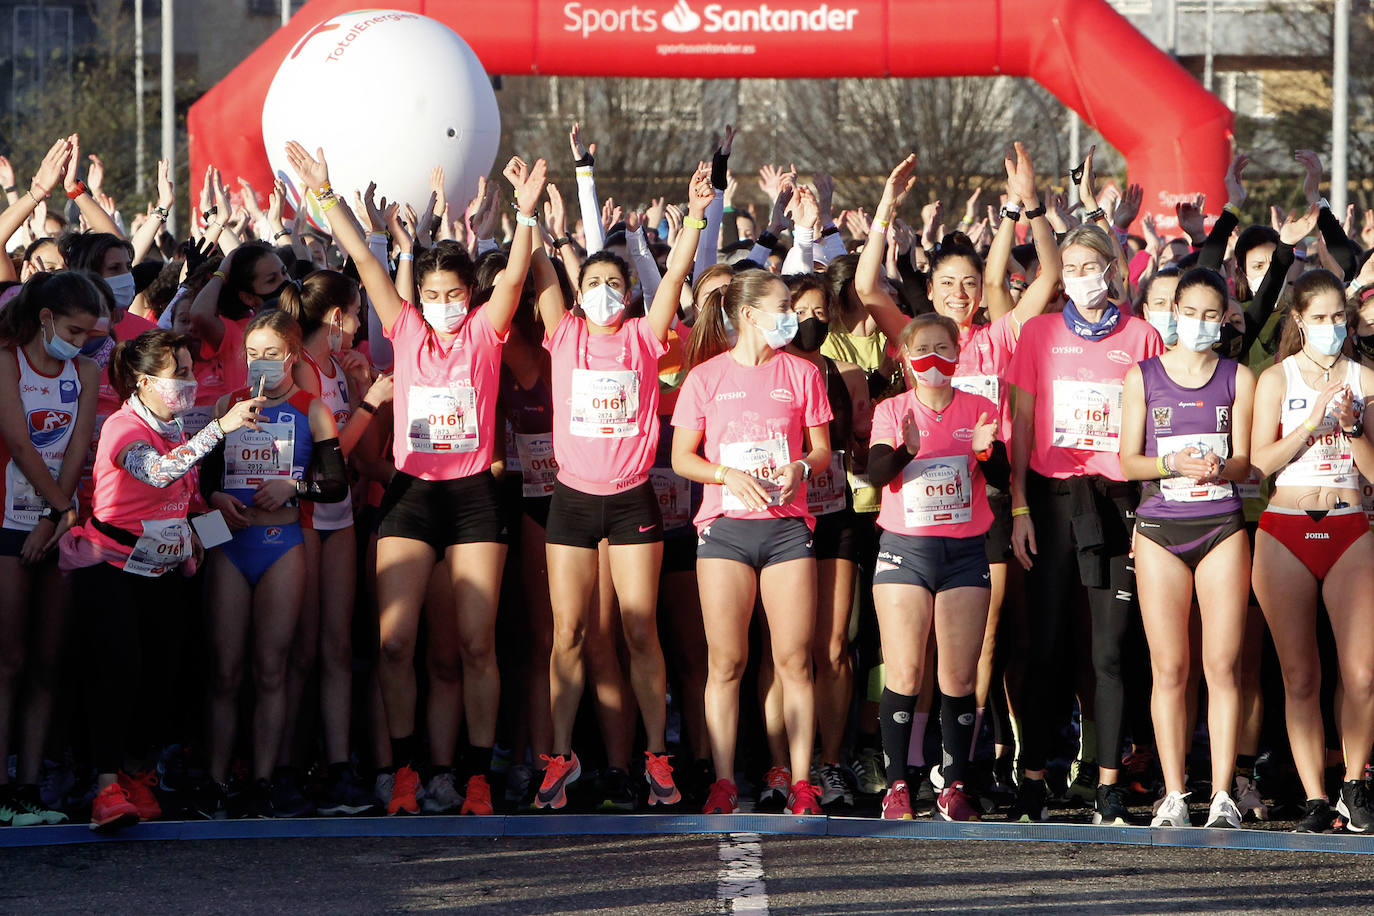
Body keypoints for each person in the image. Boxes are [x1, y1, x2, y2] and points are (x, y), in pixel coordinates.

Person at [285, 140, 546, 817]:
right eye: (431, 296)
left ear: (469, 296)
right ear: (419, 299)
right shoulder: (404, 330)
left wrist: (525, 214)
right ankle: (403, 771)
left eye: (454, 295)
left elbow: (514, 280)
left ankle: (475, 776)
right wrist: (325, 194)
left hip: (474, 500)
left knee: (472, 643)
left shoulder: (486, 333)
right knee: (395, 641)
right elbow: (368, 263)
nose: (443, 305)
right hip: (409, 496)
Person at [532, 162, 712, 811]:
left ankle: (656, 758)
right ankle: (560, 757)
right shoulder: (565, 336)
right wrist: (530, 219)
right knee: (569, 633)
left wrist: (694, 216)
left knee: (640, 632)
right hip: (573, 501)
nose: (606, 290)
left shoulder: (642, 336)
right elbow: (540, 274)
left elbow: (673, 281)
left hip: (633, 498)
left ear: (629, 293)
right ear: (578, 295)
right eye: (595, 283)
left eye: (616, 282)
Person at [60, 329, 264, 829]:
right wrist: (219, 428)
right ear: (142, 380)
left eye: (193, 371)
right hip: (110, 568)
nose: (190, 383)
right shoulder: (122, 426)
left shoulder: (174, 428)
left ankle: (137, 773)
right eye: (179, 374)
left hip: (164, 570)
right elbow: (155, 474)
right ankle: (105, 787)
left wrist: (212, 516)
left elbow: (182, 498)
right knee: (118, 670)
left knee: (160, 676)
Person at [1006, 209, 1166, 825]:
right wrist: (1019, 504)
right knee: (1042, 645)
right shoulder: (1040, 334)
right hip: (1049, 499)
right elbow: (1020, 424)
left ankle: (1106, 783)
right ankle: (1034, 776)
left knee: (1108, 650)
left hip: (1117, 501)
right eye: (1067, 268)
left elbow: (1155, 424)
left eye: (1088, 267)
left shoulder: (1143, 336)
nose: (1078, 277)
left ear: (1112, 271)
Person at [672, 268, 833, 816]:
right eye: (783, 304)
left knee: (793, 660)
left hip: (787, 528)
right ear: (748, 314)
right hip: (725, 531)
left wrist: (800, 469)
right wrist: (723, 475)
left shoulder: (803, 373)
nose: (792, 313)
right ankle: (722, 781)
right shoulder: (705, 377)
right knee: (727, 662)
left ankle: (803, 782)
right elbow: (680, 458)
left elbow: (821, 451)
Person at [1118, 267, 1255, 829]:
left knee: (1221, 666)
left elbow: (1247, 462)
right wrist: (1170, 463)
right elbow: (1128, 463)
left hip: (1221, 524)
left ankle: (1221, 794)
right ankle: (1174, 793)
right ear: (1172, 312)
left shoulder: (1237, 378)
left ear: (1223, 318)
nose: (1198, 324)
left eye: (1209, 315)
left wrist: (1223, 467)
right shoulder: (1143, 377)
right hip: (1159, 528)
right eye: (1189, 312)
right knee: (1170, 666)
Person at [202, 309, 346, 817]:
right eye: (253, 354)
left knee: (270, 668)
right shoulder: (228, 405)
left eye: (271, 354)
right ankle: (217, 780)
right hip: (231, 544)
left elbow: (335, 484)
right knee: (224, 670)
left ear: (291, 356)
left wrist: (294, 487)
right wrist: (218, 499)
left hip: (283, 543)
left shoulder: (313, 409)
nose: (261, 363)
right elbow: (206, 480)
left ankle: (263, 779)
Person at [862, 312, 1002, 821]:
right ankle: (897, 784)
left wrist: (988, 453)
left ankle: (954, 783)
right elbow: (877, 472)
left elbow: (1003, 475)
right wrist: (906, 450)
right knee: (905, 669)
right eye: (923, 349)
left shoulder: (980, 407)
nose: (934, 360)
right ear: (904, 356)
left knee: (959, 676)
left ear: (959, 352)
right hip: (906, 549)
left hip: (964, 551)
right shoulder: (893, 410)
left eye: (944, 348)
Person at [1249, 268, 1374, 834]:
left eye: (1338, 318)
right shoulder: (1277, 378)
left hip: (1349, 523)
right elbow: (1257, 467)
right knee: (1300, 674)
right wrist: (1311, 423)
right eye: (1319, 318)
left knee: (1363, 672)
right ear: (1299, 319)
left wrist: (1350, 429)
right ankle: (1316, 795)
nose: (1331, 328)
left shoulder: (1365, 379)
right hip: (1287, 524)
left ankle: (1354, 783)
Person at [280, 269, 384, 815]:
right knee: (303, 649)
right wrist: (369, 406)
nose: (360, 325)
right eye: (358, 315)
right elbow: (331, 452)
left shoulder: (339, 367)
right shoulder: (301, 369)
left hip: (340, 515)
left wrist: (363, 389)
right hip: (302, 514)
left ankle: (340, 766)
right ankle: (291, 767)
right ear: (338, 317)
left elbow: (357, 455)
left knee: (338, 646)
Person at [0, 272, 101, 828]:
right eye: (73, 329)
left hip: (52, 527)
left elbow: (78, 447)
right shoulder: (6, 361)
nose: (82, 341)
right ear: (44, 319)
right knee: (8, 661)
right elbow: (18, 440)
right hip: (8, 523)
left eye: (89, 332)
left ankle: (29, 787)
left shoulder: (85, 370)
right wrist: (57, 510)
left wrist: (53, 517)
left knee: (45, 663)